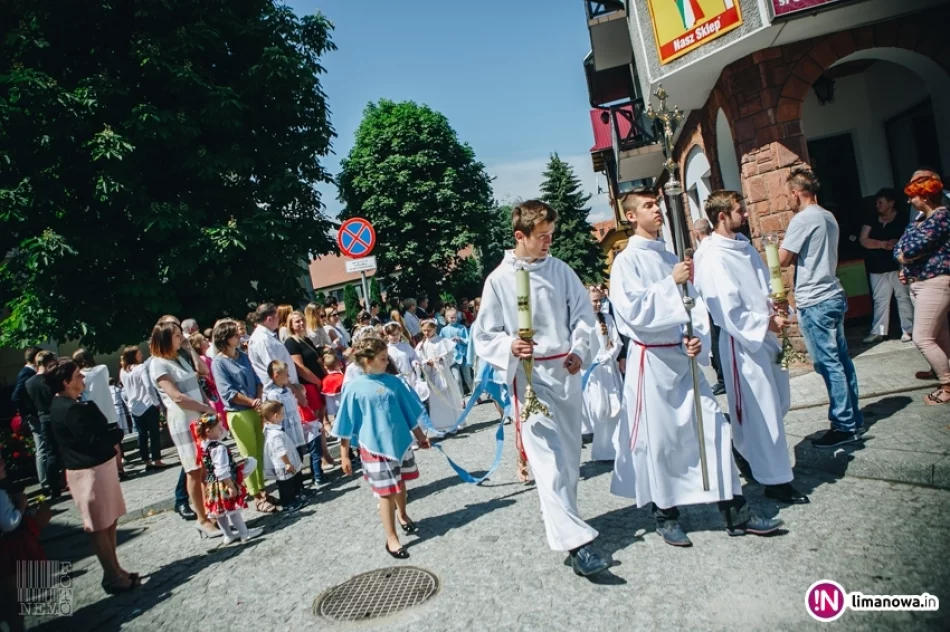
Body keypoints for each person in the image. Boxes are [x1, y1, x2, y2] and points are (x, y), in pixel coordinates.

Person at [610, 188, 783, 546]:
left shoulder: (669, 255)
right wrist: (670, 283)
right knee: (661, 442)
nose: (657, 210)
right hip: (652, 363)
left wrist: (694, 337)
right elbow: (633, 313)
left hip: (682, 356)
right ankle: (665, 515)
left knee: (713, 430)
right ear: (631, 216)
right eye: (648, 206)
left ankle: (736, 513)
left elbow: (694, 305)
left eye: (657, 204)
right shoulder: (626, 262)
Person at [472, 199, 609, 577]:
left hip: (565, 372)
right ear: (520, 235)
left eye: (551, 235)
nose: (549, 242)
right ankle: (578, 545)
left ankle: (567, 521)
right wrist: (509, 346)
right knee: (547, 462)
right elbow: (484, 334)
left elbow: (583, 317)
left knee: (568, 459)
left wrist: (579, 350)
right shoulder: (499, 279)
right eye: (542, 236)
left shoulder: (561, 270)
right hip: (530, 376)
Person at [693, 190, 809, 504]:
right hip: (741, 342)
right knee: (762, 411)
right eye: (739, 210)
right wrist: (764, 323)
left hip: (765, 335)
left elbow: (764, 285)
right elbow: (726, 308)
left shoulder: (743, 246)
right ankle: (776, 481)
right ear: (722, 216)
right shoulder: (712, 256)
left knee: (778, 403)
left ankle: (743, 449)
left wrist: (777, 305)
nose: (745, 214)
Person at [779, 168, 864, 448]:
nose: (787, 201)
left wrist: (771, 249)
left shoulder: (802, 219)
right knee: (841, 360)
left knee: (828, 364)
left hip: (815, 299)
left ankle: (843, 424)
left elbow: (782, 259)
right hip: (833, 293)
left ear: (796, 193)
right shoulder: (827, 215)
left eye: (787, 195)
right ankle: (854, 419)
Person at [332, 336, 432, 559]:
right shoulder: (354, 388)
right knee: (386, 492)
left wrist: (419, 436)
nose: (387, 362)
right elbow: (346, 423)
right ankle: (391, 538)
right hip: (374, 447)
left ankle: (403, 515)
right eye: (383, 358)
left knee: (400, 484)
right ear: (367, 361)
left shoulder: (394, 382)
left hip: (399, 442)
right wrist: (344, 455)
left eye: (387, 358)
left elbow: (408, 411)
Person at [47, 360, 139, 594]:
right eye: (78, 375)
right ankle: (112, 575)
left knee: (109, 520)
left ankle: (115, 569)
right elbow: (91, 441)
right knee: (99, 525)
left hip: (99, 468)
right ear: (66, 382)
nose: (83, 379)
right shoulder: (69, 408)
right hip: (88, 471)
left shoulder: (71, 404)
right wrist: (115, 435)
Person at [148, 321, 221, 536]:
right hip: (183, 419)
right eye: (177, 336)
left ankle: (212, 513)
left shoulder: (179, 357)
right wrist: (204, 407)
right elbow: (176, 396)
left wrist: (189, 349)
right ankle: (202, 519)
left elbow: (202, 374)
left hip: (198, 415)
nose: (182, 338)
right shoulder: (158, 363)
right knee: (193, 469)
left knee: (205, 466)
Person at [210, 319, 276, 514]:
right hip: (238, 413)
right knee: (249, 455)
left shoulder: (243, 356)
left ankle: (263, 489)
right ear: (224, 338)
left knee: (260, 452)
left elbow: (257, 380)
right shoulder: (219, 363)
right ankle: (256, 495)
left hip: (255, 409)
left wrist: (258, 399)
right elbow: (227, 392)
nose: (238, 336)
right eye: (234, 334)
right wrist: (251, 401)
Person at [895, 172, 950, 405]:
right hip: (920, 282)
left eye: (913, 196)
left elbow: (911, 248)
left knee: (922, 337)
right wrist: (905, 257)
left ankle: (947, 385)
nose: (910, 201)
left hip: (934, 282)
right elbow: (900, 246)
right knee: (940, 336)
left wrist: (905, 256)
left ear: (925, 197)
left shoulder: (941, 217)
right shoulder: (919, 220)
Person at [1, 454, 52, 632]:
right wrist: (21, 507)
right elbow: (9, 523)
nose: (3, 463)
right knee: (13, 597)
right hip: (8, 548)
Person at [194, 414, 262, 545]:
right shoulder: (219, 449)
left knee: (220, 512)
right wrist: (231, 486)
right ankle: (244, 533)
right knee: (233, 511)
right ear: (209, 431)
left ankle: (228, 535)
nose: (221, 429)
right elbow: (221, 470)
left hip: (212, 485)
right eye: (218, 428)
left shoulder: (204, 446)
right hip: (223, 483)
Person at [861, 188, 914, 343]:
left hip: (897, 264)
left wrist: (897, 243)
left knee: (903, 297)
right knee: (880, 299)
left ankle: (908, 329)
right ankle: (878, 330)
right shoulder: (872, 219)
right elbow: (863, 239)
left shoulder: (902, 218)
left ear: (891, 203)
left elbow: (908, 238)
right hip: (877, 266)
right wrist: (882, 244)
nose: (877, 206)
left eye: (881, 202)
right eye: (877, 203)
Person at [583, 286, 623, 461]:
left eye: (600, 300)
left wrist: (610, 355)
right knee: (598, 408)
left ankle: (614, 447)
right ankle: (601, 448)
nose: (598, 304)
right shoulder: (582, 321)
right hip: (591, 372)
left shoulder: (608, 319)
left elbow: (617, 342)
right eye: (595, 301)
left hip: (607, 368)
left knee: (614, 406)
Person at [72, 349, 125, 480]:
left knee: (100, 444)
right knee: (115, 442)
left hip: (92, 412)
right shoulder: (103, 369)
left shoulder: (81, 375)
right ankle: (120, 469)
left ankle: (108, 472)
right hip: (108, 411)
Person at [119, 347, 166, 470]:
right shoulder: (141, 368)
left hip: (134, 406)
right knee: (154, 433)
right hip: (147, 403)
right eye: (139, 354)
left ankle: (146, 461)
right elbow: (148, 386)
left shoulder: (122, 371)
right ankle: (157, 459)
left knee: (142, 435)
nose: (141, 355)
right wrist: (156, 402)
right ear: (134, 356)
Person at [23, 351, 61, 498]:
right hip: (56, 416)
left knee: (50, 453)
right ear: (48, 362)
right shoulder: (50, 379)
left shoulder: (29, 383)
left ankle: (54, 487)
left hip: (42, 418)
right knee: (64, 448)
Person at [416, 319, 464, 431]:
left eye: (429, 330)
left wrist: (442, 359)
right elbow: (419, 359)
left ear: (434, 328)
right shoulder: (422, 345)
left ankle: (453, 423)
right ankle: (441, 425)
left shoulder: (442, 341)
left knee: (447, 395)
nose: (426, 333)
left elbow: (450, 355)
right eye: (424, 331)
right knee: (436, 399)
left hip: (442, 372)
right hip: (431, 374)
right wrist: (426, 362)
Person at [261, 400, 306, 512]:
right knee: (285, 485)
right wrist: (287, 463)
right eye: (282, 413)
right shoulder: (275, 434)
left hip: (281, 465)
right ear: (276, 416)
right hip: (282, 465)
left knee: (286, 483)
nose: (283, 415)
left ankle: (291, 499)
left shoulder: (270, 429)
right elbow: (281, 451)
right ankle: (287, 503)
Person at [441, 308, 473, 396]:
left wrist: (461, 339)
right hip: (452, 357)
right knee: (457, 379)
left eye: (455, 317)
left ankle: (475, 395)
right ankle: (461, 398)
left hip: (463, 356)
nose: (454, 319)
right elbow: (441, 343)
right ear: (446, 318)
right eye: (451, 317)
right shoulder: (443, 330)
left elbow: (468, 341)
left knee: (468, 378)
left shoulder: (462, 328)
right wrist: (448, 342)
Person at [10, 345, 40, 428]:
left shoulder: (29, 372)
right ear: (36, 358)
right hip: (34, 416)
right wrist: (26, 414)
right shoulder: (26, 373)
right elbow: (16, 397)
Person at [321, 352, 345, 423]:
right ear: (339, 364)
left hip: (332, 408)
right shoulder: (342, 377)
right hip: (343, 406)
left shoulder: (325, 379)